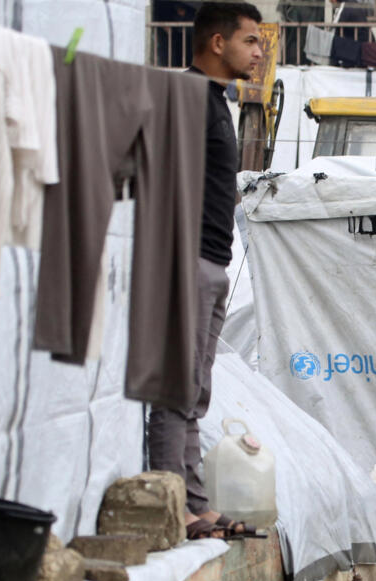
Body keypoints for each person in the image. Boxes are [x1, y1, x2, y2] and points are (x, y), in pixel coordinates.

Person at [147, 2, 263, 541]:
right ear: (218, 44)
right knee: (176, 390)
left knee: (195, 391)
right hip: (187, 260)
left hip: (213, 260)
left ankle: (194, 503)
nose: (260, 53)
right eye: (251, 42)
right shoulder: (188, 99)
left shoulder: (216, 100)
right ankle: (176, 509)